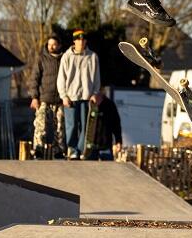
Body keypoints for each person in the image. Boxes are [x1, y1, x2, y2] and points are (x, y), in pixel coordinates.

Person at [57, 29, 100, 159]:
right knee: (72, 125)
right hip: (71, 96)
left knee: (85, 126)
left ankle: (81, 150)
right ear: (74, 41)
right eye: (78, 40)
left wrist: (95, 93)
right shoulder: (66, 56)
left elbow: (97, 77)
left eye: (83, 40)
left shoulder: (92, 56)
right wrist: (63, 96)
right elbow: (61, 78)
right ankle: (72, 149)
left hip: (87, 96)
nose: (81, 42)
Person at [30, 33, 66, 159]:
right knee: (40, 124)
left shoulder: (64, 59)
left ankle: (58, 150)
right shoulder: (41, 59)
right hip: (44, 98)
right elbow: (34, 78)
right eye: (49, 45)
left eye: (54, 45)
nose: (51, 47)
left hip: (60, 99)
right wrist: (34, 97)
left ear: (59, 45)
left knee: (60, 125)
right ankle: (38, 149)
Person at [83, 92, 123, 161]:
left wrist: (118, 140)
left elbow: (116, 124)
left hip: (105, 146)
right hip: (89, 147)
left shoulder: (109, 104)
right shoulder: (87, 105)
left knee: (108, 168)